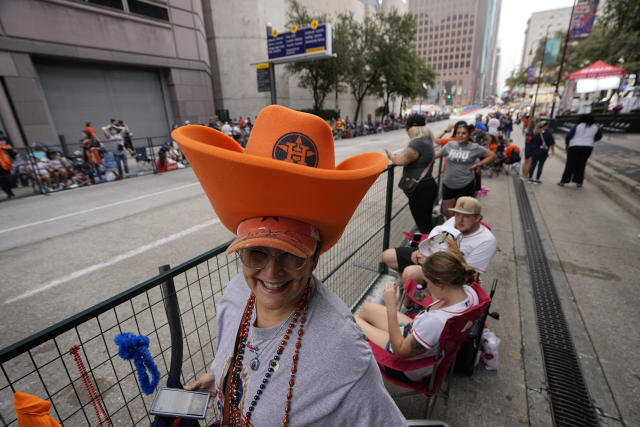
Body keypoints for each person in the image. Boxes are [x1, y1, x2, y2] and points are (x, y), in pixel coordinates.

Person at [174, 105, 406, 426]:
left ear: (315, 258)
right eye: (256, 253)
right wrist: (221, 379)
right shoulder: (236, 293)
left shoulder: (343, 354)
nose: (270, 273)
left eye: (291, 255)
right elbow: (245, 361)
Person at [355, 248, 479, 382]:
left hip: (407, 366)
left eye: (428, 282)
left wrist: (391, 306)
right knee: (367, 309)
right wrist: (431, 263)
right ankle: (361, 351)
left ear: (441, 284)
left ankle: (360, 366)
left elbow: (400, 351)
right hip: (418, 335)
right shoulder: (469, 293)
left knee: (351, 322)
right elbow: (437, 306)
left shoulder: (435, 322)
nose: (428, 287)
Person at [382, 196, 497, 287]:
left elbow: (466, 274)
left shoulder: (487, 241)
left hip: (451, 274)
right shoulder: (453, 221)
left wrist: (428, 262)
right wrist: (420, 251)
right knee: (388, 255)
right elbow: (436, 239)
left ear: (478, 218)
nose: (460, 220)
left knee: (410, 272)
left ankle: (408, 304)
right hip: (432, 257)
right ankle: (413, 288)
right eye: (457, 213)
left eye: (466, 216)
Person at [385, 113, 438, 234]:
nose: (406, 132)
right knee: (426, 222)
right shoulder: (426, 140)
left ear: (412, 129)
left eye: (407, 129)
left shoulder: (417, 143)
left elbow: (401, 161)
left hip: (421, 190)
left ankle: (432, 249)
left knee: (424, 225)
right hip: (427, 186)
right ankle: (433, 247)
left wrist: (391, 156)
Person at [434, 122, 497, 218]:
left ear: (468, 135)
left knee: (463, 213)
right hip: (448, 184)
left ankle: (460, 231)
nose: (460, 135)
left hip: (465, 185)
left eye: (463, 133)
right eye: (458, 133)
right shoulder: (450, 145)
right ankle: (453, 230)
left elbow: (492, 155)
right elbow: (437, 154)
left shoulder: (474, 147)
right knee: (447, 212)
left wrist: (478, 164)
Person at [558, 113, 603, 188]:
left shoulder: (577, 126)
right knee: (582, 164)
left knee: (570, 164)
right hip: (588, 147)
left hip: (574, 146)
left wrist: (567, 143)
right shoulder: (596, 127)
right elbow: (599, 136)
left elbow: (569, 136)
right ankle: (579, 182)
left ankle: (563, 181)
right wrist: (592, 140)